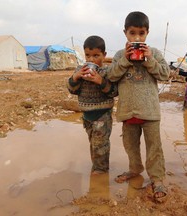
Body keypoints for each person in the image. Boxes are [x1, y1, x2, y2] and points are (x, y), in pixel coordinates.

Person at [107, 11, 170, 202]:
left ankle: (157, 178)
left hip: (150, 112)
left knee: (154, 148)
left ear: (147, 33)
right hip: (127, 112)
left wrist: (149, 59)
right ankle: (135, 170)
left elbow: (165, 74)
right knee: (131, 146)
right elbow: (111, 76)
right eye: (132, 33)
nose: (136, 37)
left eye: (141, 33)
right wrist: (126, 60)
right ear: (125, 32)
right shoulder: (119, 55)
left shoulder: (155, 53)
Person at [67, 35, 117, 175]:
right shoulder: (80, 70)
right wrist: (75, 77)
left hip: (103, 115)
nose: (91, 60)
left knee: (100, 144)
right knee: (93, 143)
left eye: (96, 55)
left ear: (104, 55)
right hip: (87, 116)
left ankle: (101, 171)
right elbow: (72, 90)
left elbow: (114, 92)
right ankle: (97, 165)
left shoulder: (107, 72)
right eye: (88, 56)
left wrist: (100, 81)